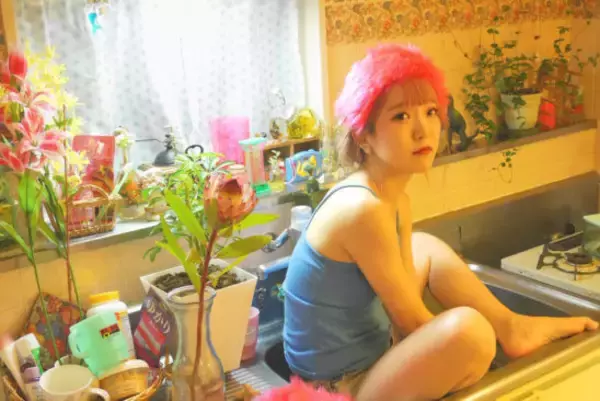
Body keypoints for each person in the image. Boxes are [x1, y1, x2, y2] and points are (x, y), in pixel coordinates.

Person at [282, 44, 599, 401]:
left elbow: (405, 319)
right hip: (340, 388)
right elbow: (412, 323)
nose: (423, 131)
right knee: (472, 332)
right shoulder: (362, 209)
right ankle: (500, 332)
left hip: (374, 356)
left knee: (425, 246)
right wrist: (462, 351)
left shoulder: (392, 197)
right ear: (363, 137)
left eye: (431, 111)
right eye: (401, 116)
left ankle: (512, 327)